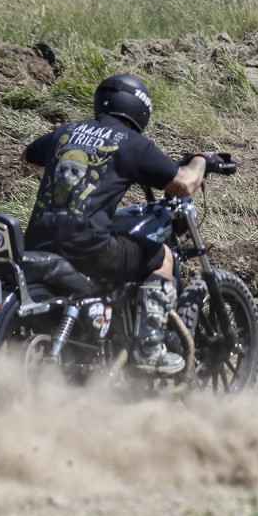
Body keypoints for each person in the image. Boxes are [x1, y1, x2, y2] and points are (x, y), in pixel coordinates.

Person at [24, 73, 207, 374]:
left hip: (38, 241)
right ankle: (150, 349)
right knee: (163, 258)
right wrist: (200, 161)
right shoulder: (133, 143)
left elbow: (27, 155)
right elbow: (184, 185)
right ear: (141, 111)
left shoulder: (65, 132)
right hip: (87, 247)